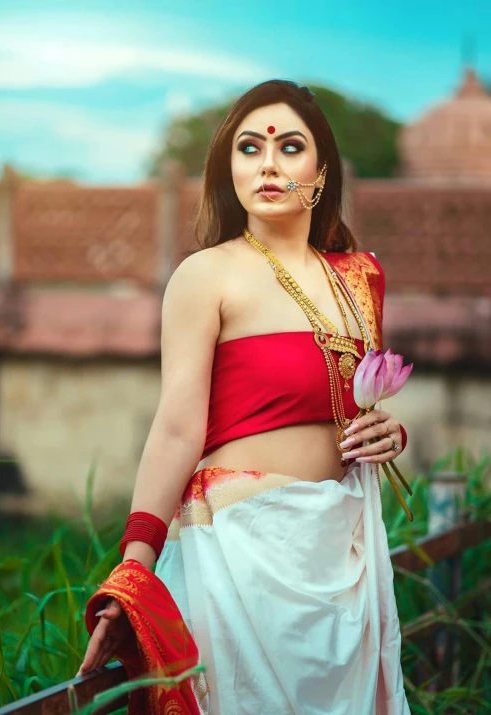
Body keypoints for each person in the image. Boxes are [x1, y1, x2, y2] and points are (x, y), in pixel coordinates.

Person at [77, 79, 412, 715]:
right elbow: (177, 429)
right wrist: (134, 570)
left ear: (320, 173)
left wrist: (390, 437)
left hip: (343, 556)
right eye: (249, 146)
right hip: (240, 557)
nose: (267, 162)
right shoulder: (207, 275)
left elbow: (347, 404)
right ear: (229, 168)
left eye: (290, 146)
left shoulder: (359, 280)